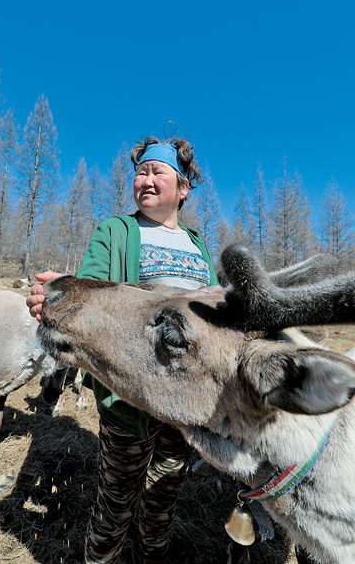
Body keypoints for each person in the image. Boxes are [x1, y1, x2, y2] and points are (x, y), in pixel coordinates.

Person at [27, 136, 218, 564]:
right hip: (128, 397)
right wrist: (64, 294)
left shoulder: (198, 245)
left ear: (183, 188)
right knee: (116, 501)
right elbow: (94, 291)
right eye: (141, 172)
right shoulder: (116, 231)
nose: (146, 181)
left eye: (158, 173)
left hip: (183, 403)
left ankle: (153, 555)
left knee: (163, 497)